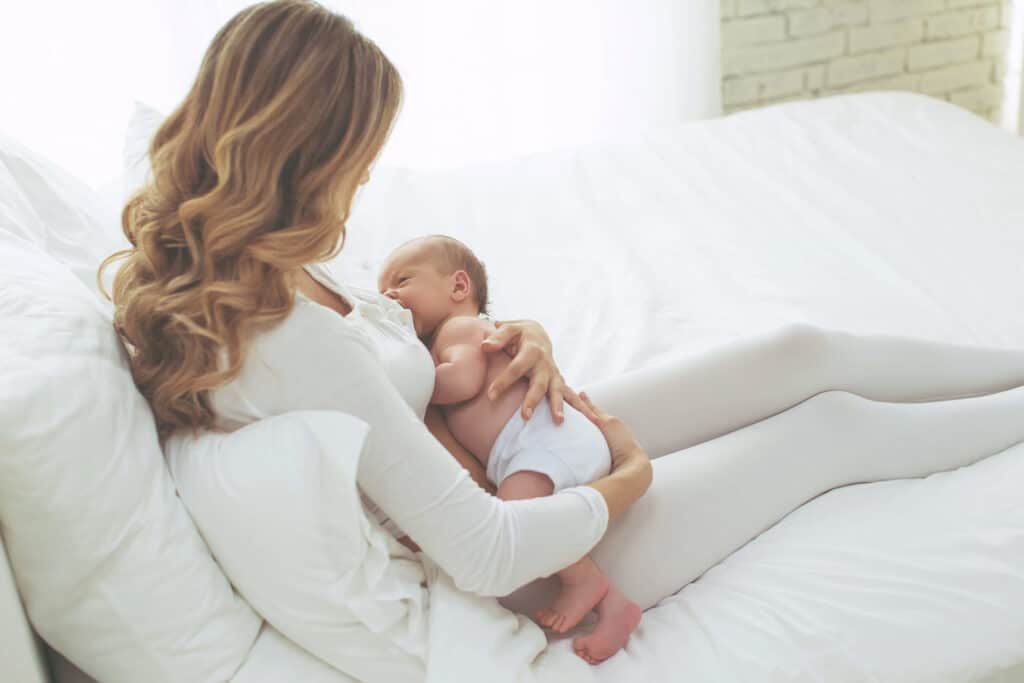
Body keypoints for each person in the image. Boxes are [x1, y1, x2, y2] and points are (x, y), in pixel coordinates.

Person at [98, 0, 1024, 672]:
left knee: (797, 349)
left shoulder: (262, 264)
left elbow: (399, 360)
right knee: (832, 429)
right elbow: (486, 550)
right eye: (358, 158)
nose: (369, 178)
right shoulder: (286, 335)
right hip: (534, 543)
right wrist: (627, 474)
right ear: (305, 153)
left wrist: (513, 330)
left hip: (502, 443)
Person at [377, 234, 642, 662]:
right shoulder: (446, 339)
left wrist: (404, 383)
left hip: (547, 444)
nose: (388, 293)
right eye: (382, 289)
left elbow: (461, 381)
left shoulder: (459, 330)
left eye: (402, 279)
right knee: (527, 525)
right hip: (539, 450)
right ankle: (613, 606)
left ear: (459, 288)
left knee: (510, 524)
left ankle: (586, 583)